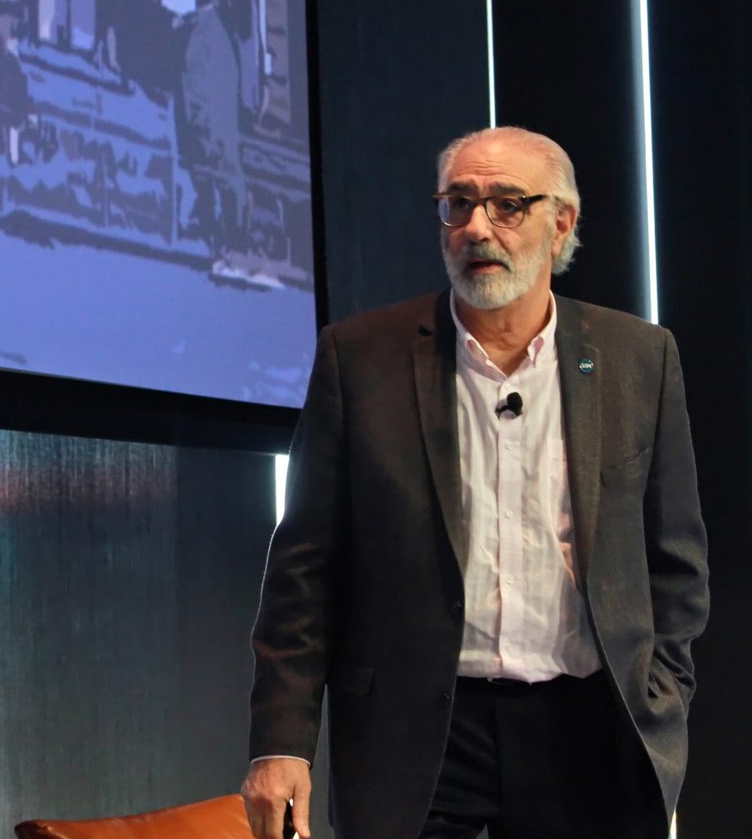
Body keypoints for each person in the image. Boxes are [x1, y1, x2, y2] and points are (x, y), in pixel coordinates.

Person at [242, 127, 708, 839]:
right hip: (417, 730)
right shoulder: (360, 357)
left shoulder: (638, 358)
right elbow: (303, 567)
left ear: (561, 224)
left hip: (588, 727)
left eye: (506, 205)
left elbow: (675, 559)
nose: (476, 228)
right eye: (458, 204)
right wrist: (281, 740)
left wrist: (662, 691)